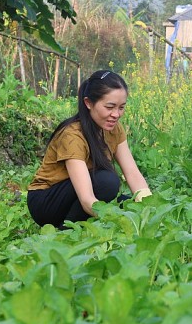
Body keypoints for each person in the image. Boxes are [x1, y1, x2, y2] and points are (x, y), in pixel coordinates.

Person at [26, 70, 152, 229]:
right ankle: (67, 232)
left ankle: (81, 224)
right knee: (107, 182)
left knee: (128, 203)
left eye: (121, 107)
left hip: (76, 194)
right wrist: (116, 219)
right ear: (88, 103)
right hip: (46, 202)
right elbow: (86, 200)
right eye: (110, 107)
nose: (116, 114)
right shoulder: (73, 136)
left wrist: (149, 209)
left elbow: (132, 173)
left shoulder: (114, 129)